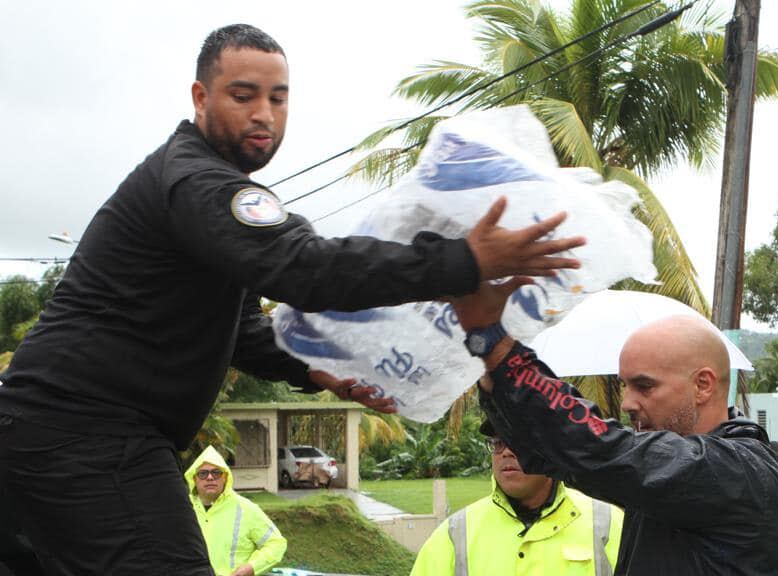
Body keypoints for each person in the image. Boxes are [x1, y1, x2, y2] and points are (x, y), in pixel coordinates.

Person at [0, 24, 584, 575]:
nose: (264, 114)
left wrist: (317, 370)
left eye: (278, 98)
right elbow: (305, 267)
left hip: (49, 433)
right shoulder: (197, 183)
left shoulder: (201, 193)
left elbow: (242, 330)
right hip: (87, 435)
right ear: (201, 97)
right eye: (243, 95)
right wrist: (467, 261)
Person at [448, 280, 778, 574]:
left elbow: (601, 449)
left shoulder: (738, 471)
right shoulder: (676, 478)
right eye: (625, 385)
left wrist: (499, 350)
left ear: (702, 385)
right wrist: (495, 381)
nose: (627, 402)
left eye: (645, 386)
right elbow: (552, 454)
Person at [410, 421, 623, 576]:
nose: (506, 453)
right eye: (498, 443)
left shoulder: (607, 522)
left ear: (550, 449)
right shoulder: (456, 533)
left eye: (518, 442)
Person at [187, 447, 286, 576]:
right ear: (194, 478)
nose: (210, 477)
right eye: (203, 473)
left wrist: (251, 568)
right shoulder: (182, 508)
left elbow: (276, 543)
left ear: (225, 477)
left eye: (216, 473)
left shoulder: (246, 508)